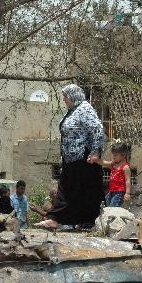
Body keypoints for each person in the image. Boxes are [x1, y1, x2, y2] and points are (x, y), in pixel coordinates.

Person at [35, 84, 105, 229]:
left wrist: (95, 151)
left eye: (66, 96)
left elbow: (97, 129)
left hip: (84, 158)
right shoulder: (72, 111)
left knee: (87, 190)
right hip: (71, 159)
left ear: (74, 95)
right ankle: (55, 219)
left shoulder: (85, 109)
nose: (64, 99)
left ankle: (90, 220)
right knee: (66, 189)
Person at [91, 141, 132, 207]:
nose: (113, 157)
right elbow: (103, 162)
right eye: (113, 155)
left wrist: (127, 193)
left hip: (119, 193)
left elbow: (128, 180)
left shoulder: (125, 167)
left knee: (113, 208)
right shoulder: (113, 164)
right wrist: (95, 160)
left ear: (123, 155)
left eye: (115, 155)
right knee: (106, 206)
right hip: (111, 191)